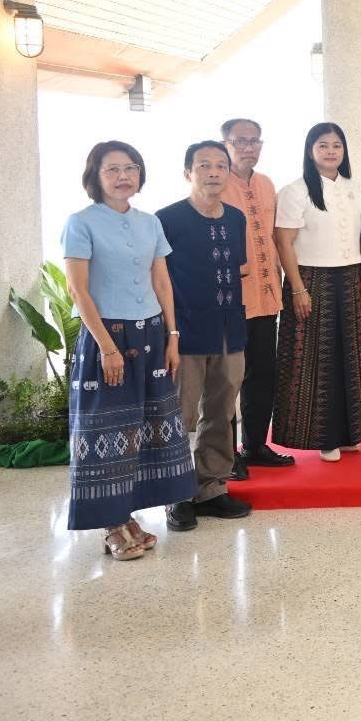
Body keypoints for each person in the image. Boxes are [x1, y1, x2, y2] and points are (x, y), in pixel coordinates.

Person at [61, 141, 194, 560]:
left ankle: (129, 514)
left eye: (130, 167)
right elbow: (77, 289)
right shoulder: (80, 222)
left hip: (152, 335)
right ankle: (111, 524)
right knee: (106, 431)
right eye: (112, 169)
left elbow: (162, 283)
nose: (123, 176)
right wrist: (107, 346)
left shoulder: (149, 222)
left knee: (147, 428)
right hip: (107, 338)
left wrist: (172, 337)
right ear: (95, 176)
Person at [155, 141, 252, 531]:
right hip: (186, 332)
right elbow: (157, 279)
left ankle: (211, 487)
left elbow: (238, 270)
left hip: (230, 329)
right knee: (181, 414)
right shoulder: (166, 219)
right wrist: (169, 332)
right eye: (204, 165)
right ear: (187, 173)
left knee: (222, 412)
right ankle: (176, 494)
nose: (214, 172)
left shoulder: (236, 218)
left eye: (220, 165)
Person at [272, 122, 361, 461]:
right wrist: (297, 288)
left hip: (349, 278)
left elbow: (360, 236)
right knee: (317, 361)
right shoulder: (295, 190)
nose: (331, 151)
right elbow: (283, 241)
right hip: (311, 281)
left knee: (351, 357)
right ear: (310, 150)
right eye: (323, 145)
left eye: (336, 145)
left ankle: (348, 433)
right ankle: (323, 437)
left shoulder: (353, 188)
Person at [220, 117, 294, 475]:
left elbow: (280, 237)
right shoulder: (217, 185)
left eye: (254, 141)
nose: (249, 147)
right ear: (226, 144)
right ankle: (226, 455)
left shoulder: (267, 184)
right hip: (231, 300)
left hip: (267, 296)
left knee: (262, 374)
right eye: (240, 141)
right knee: (228, 379)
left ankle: (255, 445)